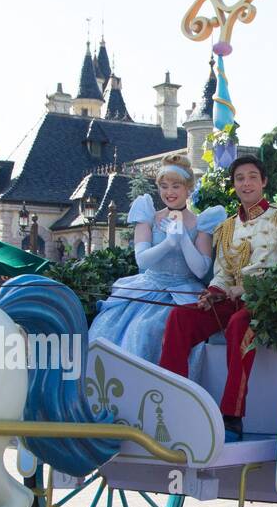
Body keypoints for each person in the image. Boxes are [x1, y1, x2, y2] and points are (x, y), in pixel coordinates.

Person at [159, 155, 277, 441]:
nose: (246, 183)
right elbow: (222, 275)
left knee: (239, 323)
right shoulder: (226, 228)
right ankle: (173, 403)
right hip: (230, 301)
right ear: (234, 185)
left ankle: (232, 416)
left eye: (252, 177)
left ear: (263, 182)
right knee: (180, 316)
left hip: (270, 303)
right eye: (240, 178)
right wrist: (212, 293)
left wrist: (249, 289)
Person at [88, 155, 226, 363]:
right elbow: (142, 261)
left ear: (188, 188)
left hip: (183, 292)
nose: (169, 192)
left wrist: (183, 241)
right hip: (148, 288)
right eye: (164, 186)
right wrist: (169, 243)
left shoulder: (201, 223)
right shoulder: (149, 217)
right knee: (125, 327)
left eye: (175, 186)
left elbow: (200, 270)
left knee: (155, 329)